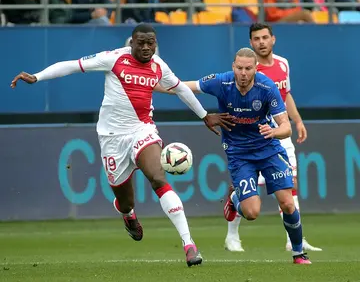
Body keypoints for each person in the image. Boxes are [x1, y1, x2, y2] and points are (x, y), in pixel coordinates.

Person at [10, 23, 234, 267]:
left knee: (158, 177)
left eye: (151, 43)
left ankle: (189, 244)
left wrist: (204, 115)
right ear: (132, 43)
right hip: (112, 138)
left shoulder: (159, 66)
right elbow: (72, 65)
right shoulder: (114, 58)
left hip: (142, 130)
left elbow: (180, 89)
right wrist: (37, 77)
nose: (147, 47)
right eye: (142, 43)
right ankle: (128, 215)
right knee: (125, 201)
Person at [178, 47, 312, 264]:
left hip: (268, 148)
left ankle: (298, 253)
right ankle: (234, 200)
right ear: (233, 67)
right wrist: (153, 83)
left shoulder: (266, 87)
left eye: (248, 68)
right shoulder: (222, 82)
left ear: (255, 68)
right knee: (251, 213)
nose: (243, 73)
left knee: (288, 203)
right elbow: (185, 86)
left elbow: (286, 127)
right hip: (239, 154)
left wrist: (274, 131)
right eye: (239, 68)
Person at [223, 22, 322, 253]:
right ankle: (232, 236)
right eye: (256, 39)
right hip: (255, 138)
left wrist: (297, 121)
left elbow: (285, 96)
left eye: (265, 37)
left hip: (280, 133)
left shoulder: (283, 64)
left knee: (291, 185)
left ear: (273, 39)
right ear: (251, 42)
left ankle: (294, 240)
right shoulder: (247, 71)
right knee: (248, 193)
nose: (261, 42)